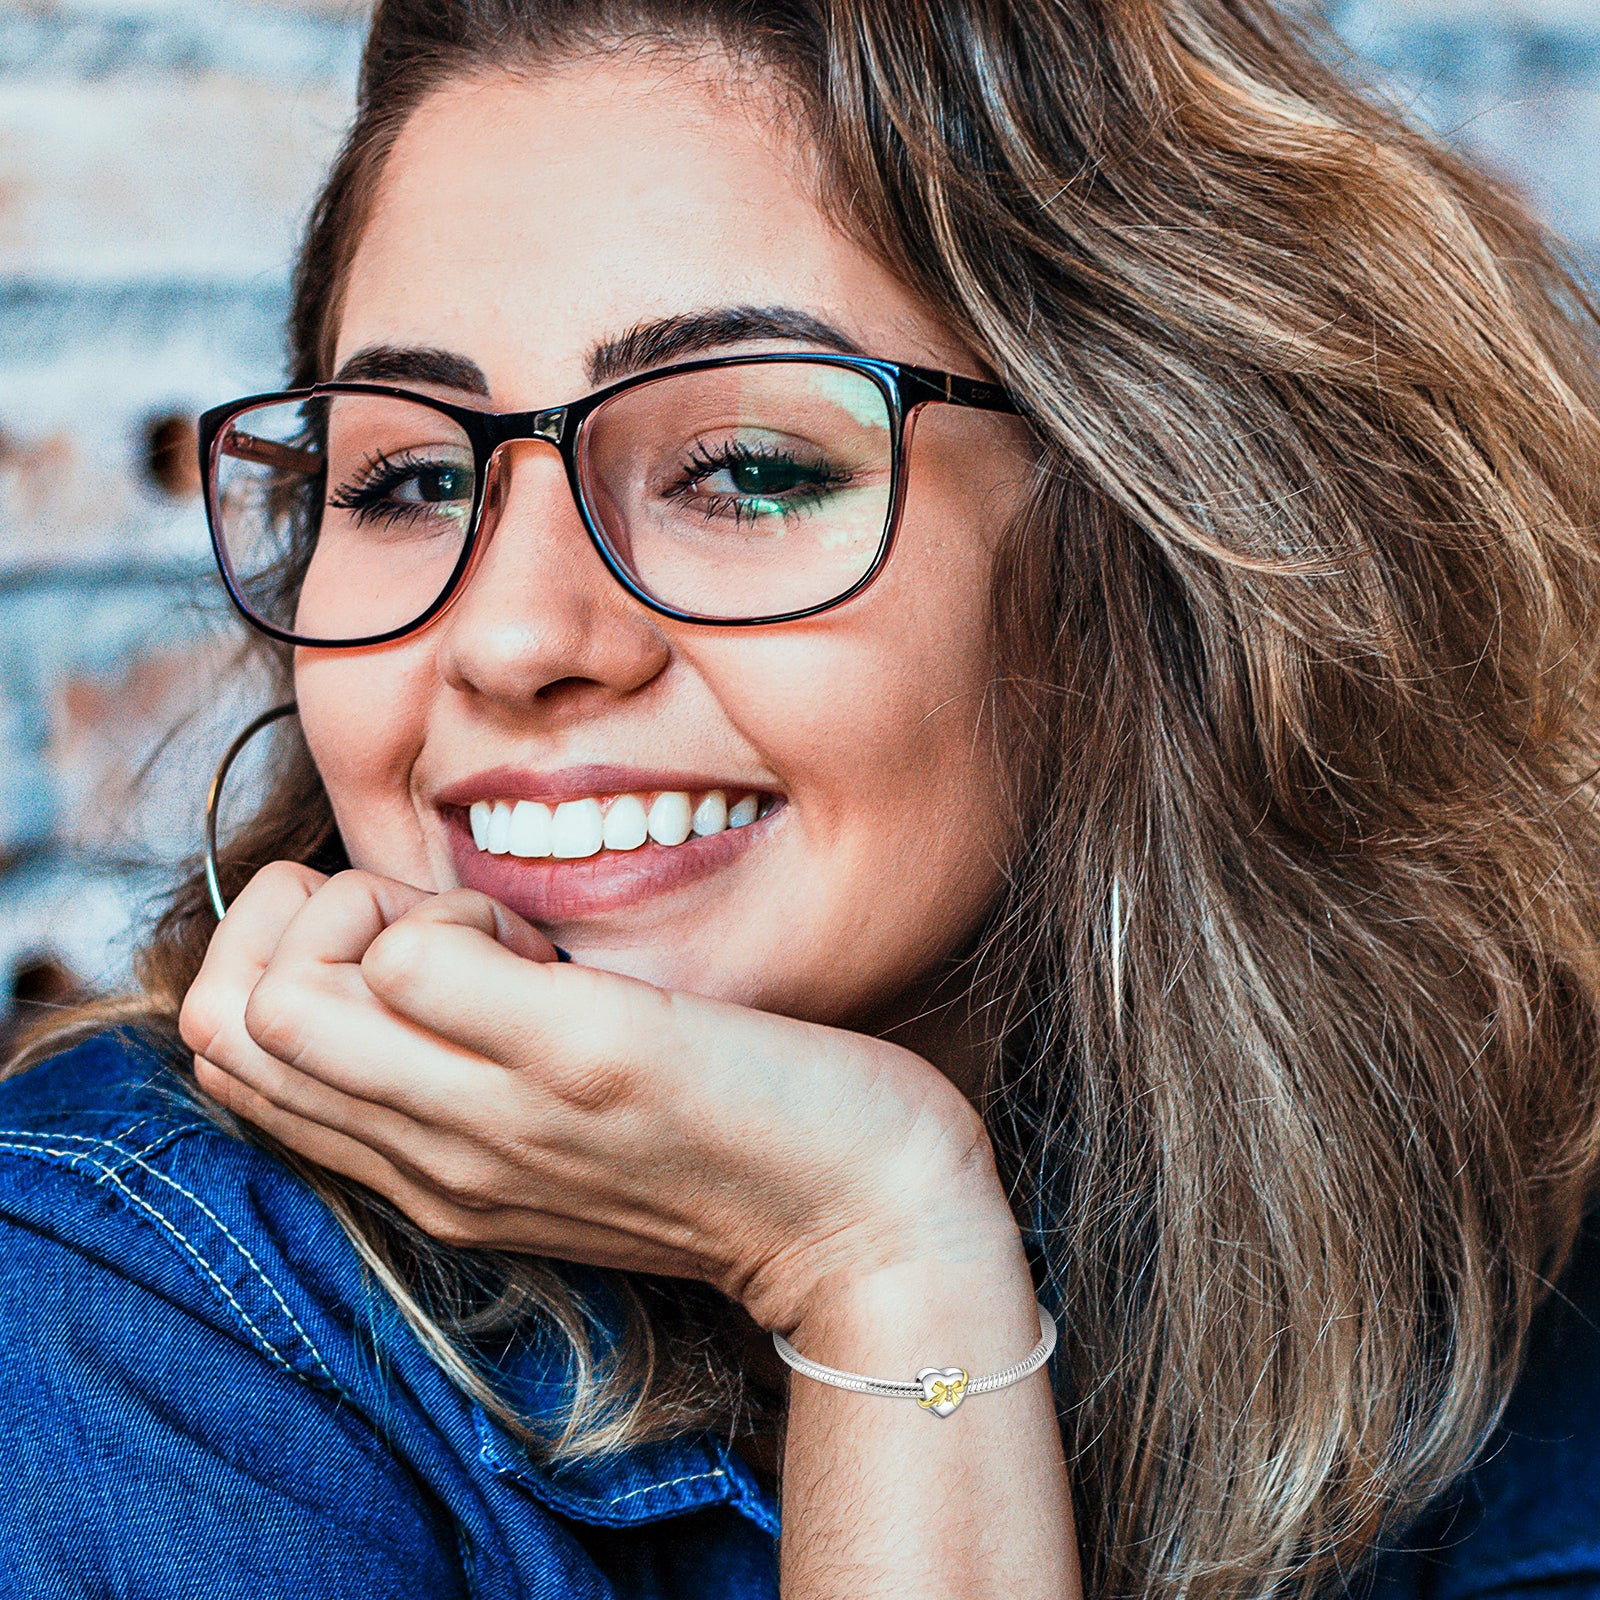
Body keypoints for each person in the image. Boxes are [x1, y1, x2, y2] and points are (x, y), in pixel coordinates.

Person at [7, 0, 1600, 1595]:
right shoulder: (111, 1312)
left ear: (1150, 536)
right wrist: (880, 1267)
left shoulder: (1499, 1211)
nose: (509, 635)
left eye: (748, 464)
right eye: (411, 480)